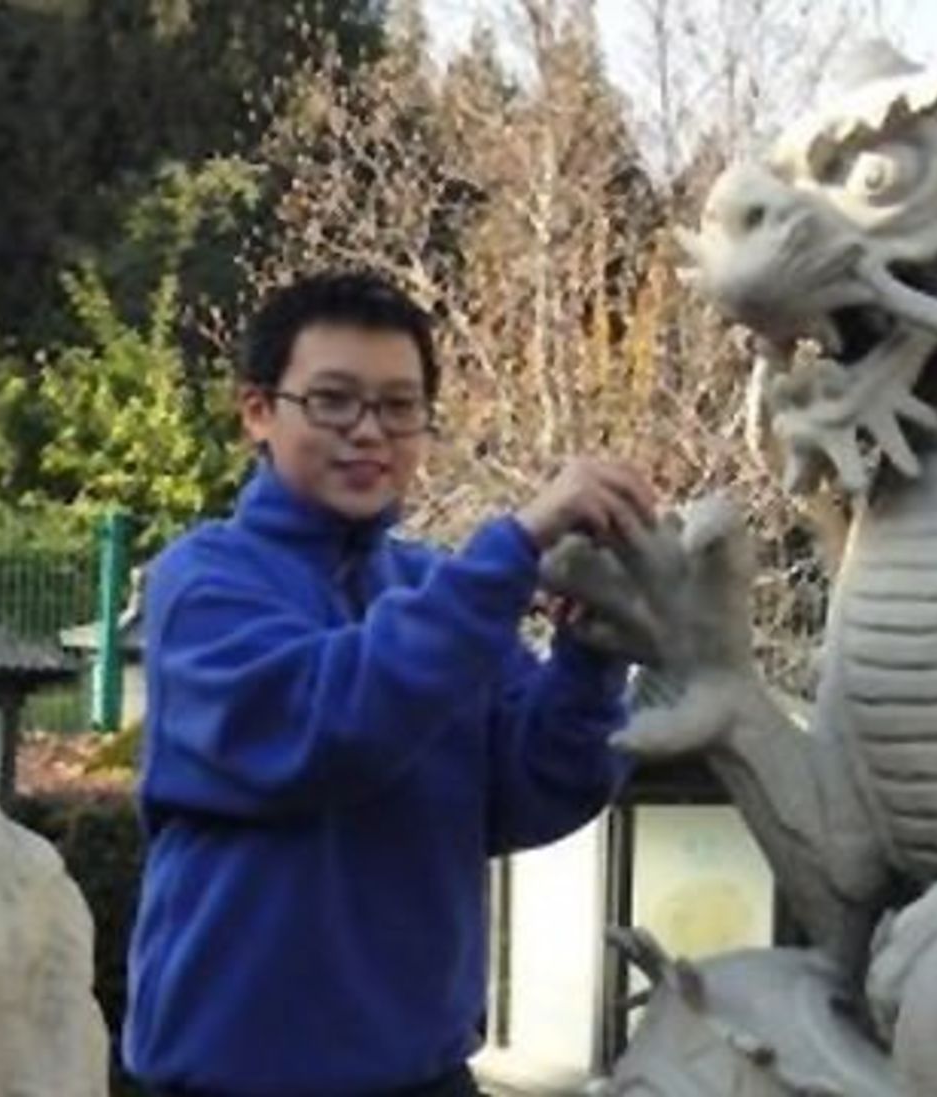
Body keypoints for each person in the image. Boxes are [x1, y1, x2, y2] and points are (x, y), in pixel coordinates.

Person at [123, 270, 655, 1097]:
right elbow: (330, 726)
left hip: (427, 1074)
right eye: (333, 401)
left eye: (400, 407)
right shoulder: (203, 582)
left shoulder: (438, 592)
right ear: (258, 410)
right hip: (234, 1081)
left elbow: (536, 791)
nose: (369, 432)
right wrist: (513, 549)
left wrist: (588, 657)